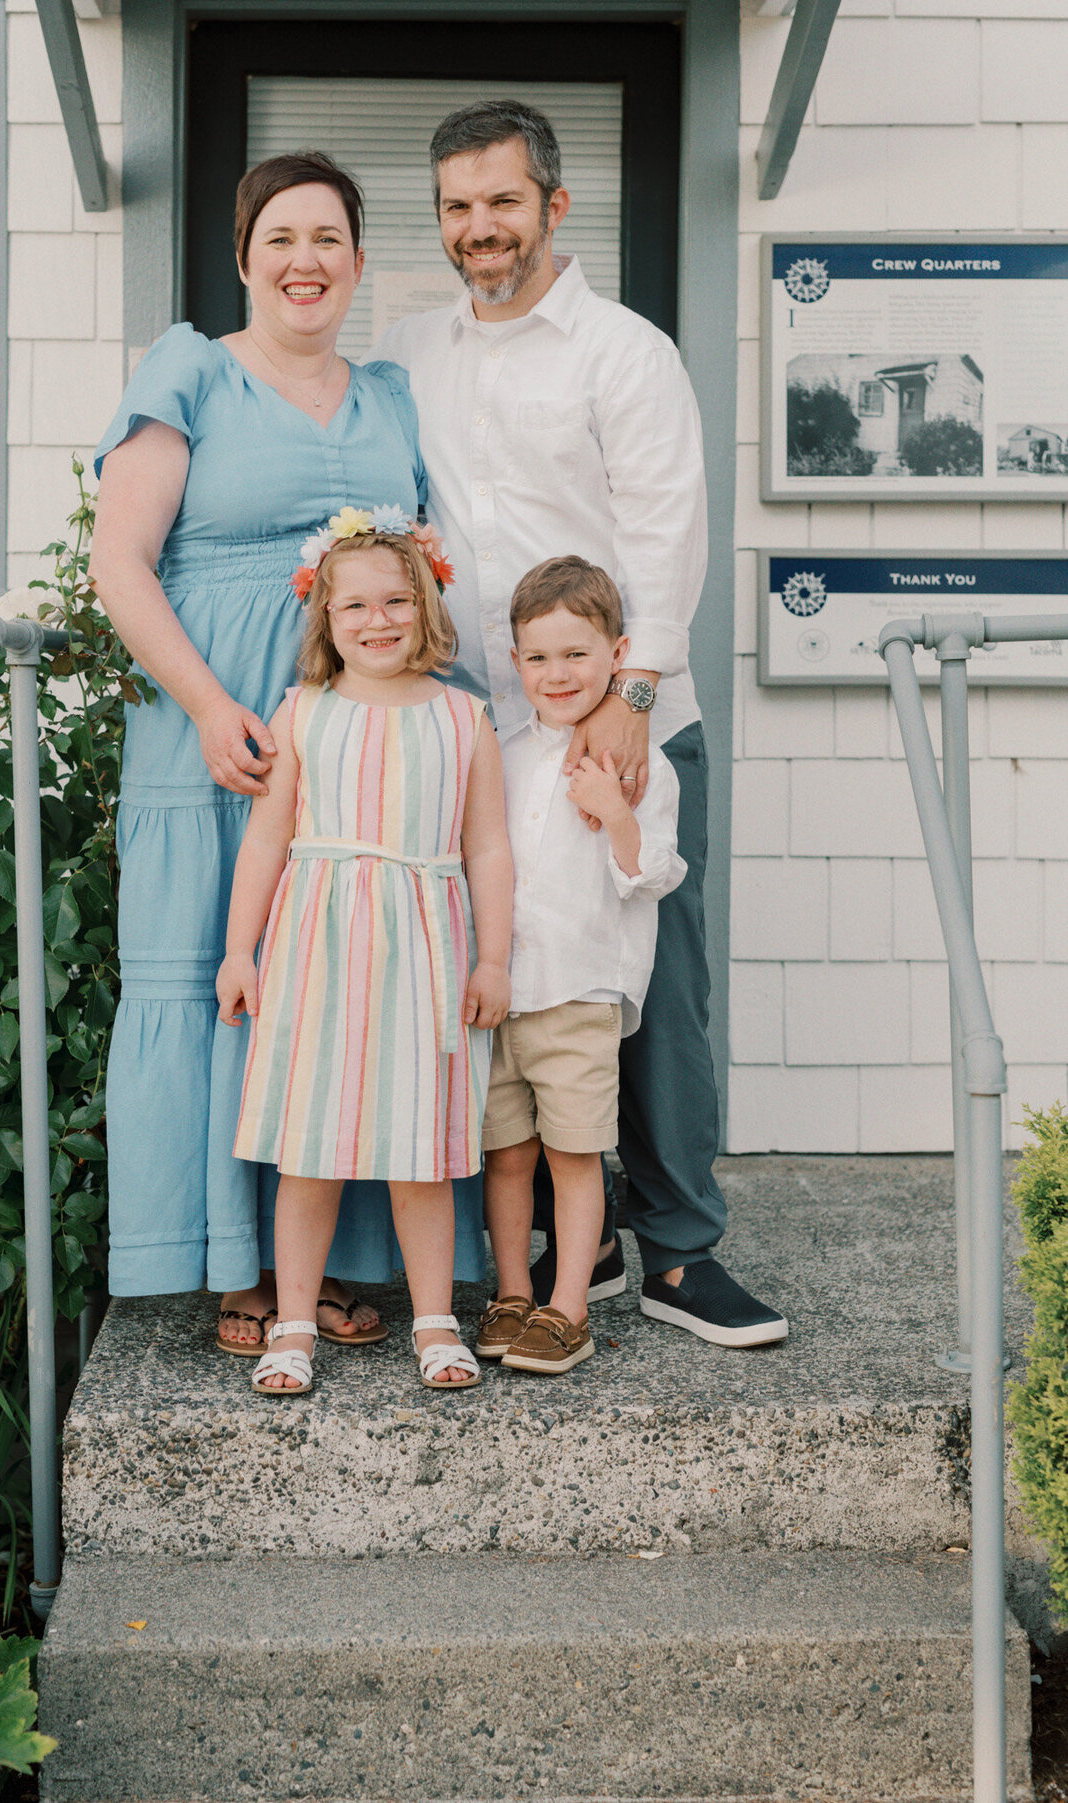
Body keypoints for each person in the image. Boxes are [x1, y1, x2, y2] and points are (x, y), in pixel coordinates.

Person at [372, 100, 787, 1347]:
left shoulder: (624, 351)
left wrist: (634, 696)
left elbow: (666, 527)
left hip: (618, 720)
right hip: (479, 737)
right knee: (515, 983)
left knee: (650, 992)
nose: (477, 228)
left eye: (502, 201)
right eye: (456, 206)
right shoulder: (409, 350)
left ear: (555, 206)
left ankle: (680, 1251)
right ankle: (579, 1239)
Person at [89, 151, 486, 1352]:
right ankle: (233, 1264)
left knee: (350, 987)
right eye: (282, 239)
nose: (305, 261)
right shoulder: (192, 370)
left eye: (329, 239)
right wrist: (212, 708)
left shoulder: (392, 397)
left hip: (358, 751)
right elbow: (121, 562)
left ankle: (338, 1266)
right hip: (218, 735)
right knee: (225, 978)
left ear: (358, 263)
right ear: (245, 257)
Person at [216, 514, 512, 1396]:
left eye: (396, 601)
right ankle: (295, 1323)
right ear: (325, 614)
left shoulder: (465, 717)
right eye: (356, 605)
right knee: (309, 1148)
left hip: (427, 951)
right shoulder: (306, 711)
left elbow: (489, 846)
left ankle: (435, 1321)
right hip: (318, 948)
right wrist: (240, 948)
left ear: (425, 606)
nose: (377, 620)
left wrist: (492, 958)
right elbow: (267, 841)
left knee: (417, 1148)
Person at [477, 558, 685, 1376]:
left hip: (579, 989)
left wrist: (616, 815)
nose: (556, 673)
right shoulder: (502, 751)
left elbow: (653, 874)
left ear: (616, 652)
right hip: (502, 993)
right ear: (516, 660)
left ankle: (568, 1307)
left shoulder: (642, 764)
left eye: (576, 654)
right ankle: (510, 1293)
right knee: (506, 1154)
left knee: (573, 1154)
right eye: (538, 657)